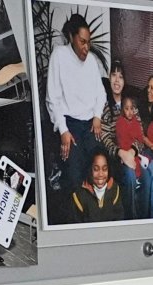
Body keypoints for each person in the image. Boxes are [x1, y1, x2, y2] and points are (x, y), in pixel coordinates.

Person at [42, 11, 106, 215]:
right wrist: (63, 131)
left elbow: (101, 94)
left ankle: (97, 215)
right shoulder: (59, 56)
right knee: (76, 175)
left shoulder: (93, 62)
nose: (86, 48)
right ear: (71, 37)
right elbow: (53, 98)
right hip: (69, 127)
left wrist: (97, 115)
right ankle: (79, 222)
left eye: (89, 43)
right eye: (83, 42)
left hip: (90, 126)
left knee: (98, 169)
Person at [67, 147, 124, 222]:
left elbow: (119, 220)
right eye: (96, 169)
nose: (101, 174)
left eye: (104, 169)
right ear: (89, 169)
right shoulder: (79, 196)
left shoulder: (115, 190)